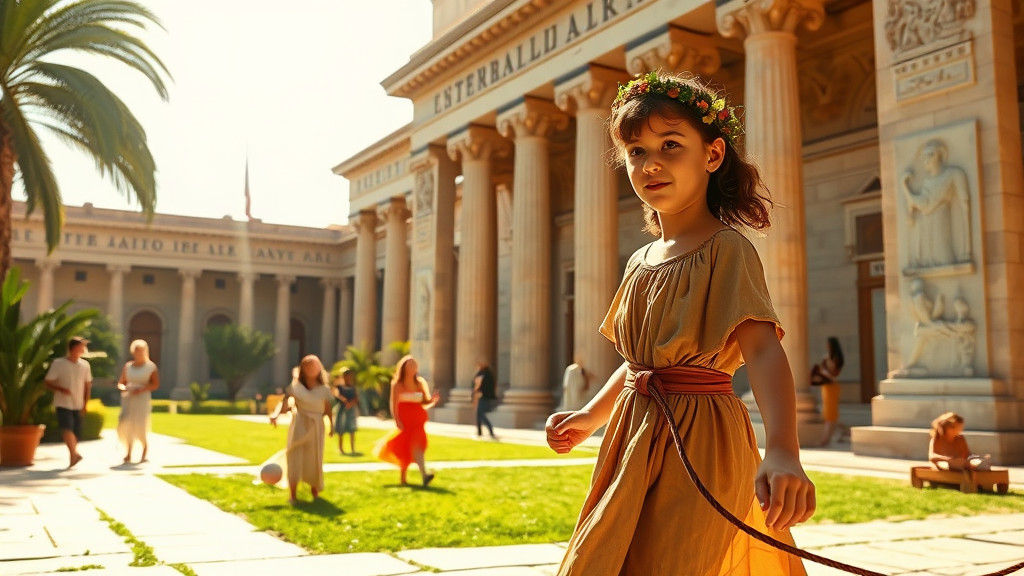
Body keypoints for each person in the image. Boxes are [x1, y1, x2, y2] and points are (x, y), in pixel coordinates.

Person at [544, 72, 815, 575]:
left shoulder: (726, 250)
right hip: (635, 432)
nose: (651, 163)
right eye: (636, 151)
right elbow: (637, 367)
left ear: (712, 156)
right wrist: (587, 417)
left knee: (679, 561)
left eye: (671, 145)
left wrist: (782, 450)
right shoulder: (640, 260)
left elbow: (762, 351)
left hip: (702, 436)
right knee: (610, 556)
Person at [269, 355, 334, 504]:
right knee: (295, 455)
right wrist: (275, 415)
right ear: (302, 369)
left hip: (317, 425)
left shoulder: (324, 389)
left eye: (314, 365)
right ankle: (293, 495)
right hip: (299, 423)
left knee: (314, 457)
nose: (311, 368)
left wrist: (332, 425)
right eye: (308, 365)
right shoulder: (295, 386)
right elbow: (284, 403)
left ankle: (314, 491)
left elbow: (328, 408)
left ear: (319, 368)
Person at [374, 355, 439, 486]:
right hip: (405, 420)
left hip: (418, 420)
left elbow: (424, 402)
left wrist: (432, 401)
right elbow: (393, 403)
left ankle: (424, 475)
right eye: (410, 365)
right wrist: (396, 419)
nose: (413, 367)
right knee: (405, 448)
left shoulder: (420, 382)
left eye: (414, 365)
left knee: (417, 447)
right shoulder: (397, 384)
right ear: (403, 368)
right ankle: (406, 478)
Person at [44, 336, 93, 468]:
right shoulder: (58, 364)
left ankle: (73, 456)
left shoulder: (85, 365)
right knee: (67, 428)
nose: (83, 349)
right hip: (63, 403)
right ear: (73, 348)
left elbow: (88, 385)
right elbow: (47, 382)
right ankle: (74, 454)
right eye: (81, 346)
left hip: (78, 404)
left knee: (76, 433)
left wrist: (85, 404)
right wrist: (60, 389)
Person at [116, 339, 160, 463]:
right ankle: (128, 452)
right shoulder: (128, 366)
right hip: (128, 399)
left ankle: (144, 451)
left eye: (140, 351)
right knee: (126, 424)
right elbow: (121, 383)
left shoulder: (151, 367)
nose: (138, 353)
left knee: (140, 425)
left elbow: (155, 384)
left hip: (142, 399)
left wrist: (142, 389)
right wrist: (125, 388)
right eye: (136, 351)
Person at [812, 337, 845, 446]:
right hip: (826, 387)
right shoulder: (828, 357)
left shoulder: (835, 358)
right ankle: (843, 431)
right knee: (828, 413)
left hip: (832, 386)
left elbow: (832, 375)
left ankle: (824, 440)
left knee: (830, 414)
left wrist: (823, 371)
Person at [332, 367, 359, 455]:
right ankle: (341, 449)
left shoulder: (352, 387)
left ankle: (352, 448)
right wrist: (344, 400)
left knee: (352, 430)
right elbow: (336, 394)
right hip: (342, 409)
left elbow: (356, 398)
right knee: (341, 429)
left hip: (350, 410)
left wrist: (350, 404)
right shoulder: (339, 387)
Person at [473, 360, 497, 439]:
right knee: (479, 414)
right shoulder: (488, 374)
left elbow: (477, 384)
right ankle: (479, 432)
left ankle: (490, 430)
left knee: (481, 414)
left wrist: (475, 392)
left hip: (483, 396)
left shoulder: (483, 374)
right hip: (484, 396)